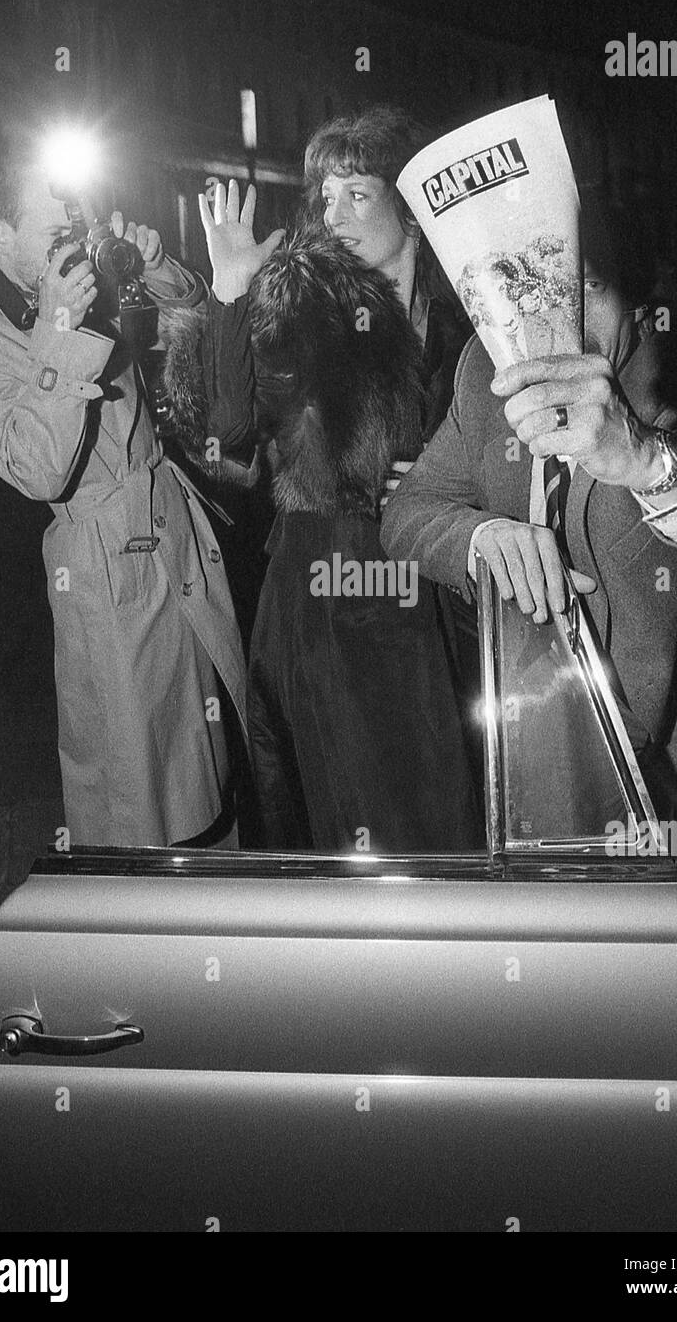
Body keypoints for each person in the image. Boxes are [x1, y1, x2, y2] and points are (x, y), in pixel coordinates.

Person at [381, 191, 677, 869]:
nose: (558, 314)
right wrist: (483, 536)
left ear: (641, 306)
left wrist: (641, 458)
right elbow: (407, 513)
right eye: (537, 288)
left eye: (583, 285)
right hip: (563, 753)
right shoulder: (484, 373)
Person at [0, 146, 251, 848]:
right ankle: (140, 939)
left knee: (218, 758)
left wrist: (151, 267)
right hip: (103, 569)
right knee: (139, 792)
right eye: (53, 238)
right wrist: (61, 333)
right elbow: (38, 471)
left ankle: (223, 913)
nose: (69, 251)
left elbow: (191, 312)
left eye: (74, 234)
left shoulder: (74, 277)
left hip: (177, 532)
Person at [194, 172, 480, 853]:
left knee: (444, 807)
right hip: (328, 590)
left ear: (410, 213)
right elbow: (227, 439)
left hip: (436, 590)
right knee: (352, 815)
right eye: (325, 196)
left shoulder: (460, 323)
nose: (335, 210)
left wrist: (447, 483)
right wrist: (232, 292)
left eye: (357, 191)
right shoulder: (308, 313)